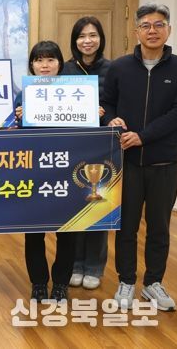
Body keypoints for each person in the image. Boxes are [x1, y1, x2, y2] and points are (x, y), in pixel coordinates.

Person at [103, 3, 177, 312]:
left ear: (168, 30)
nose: (152, 30)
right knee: (126, 227)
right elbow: (107, 103)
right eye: (146, 25)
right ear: (136, 31)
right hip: (128, 163)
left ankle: (153, 283)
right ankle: (126, 281)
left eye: (159, 25)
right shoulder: (120, 67)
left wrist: (143, 136)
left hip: (164, 163)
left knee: (159, 227)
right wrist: (110, 119)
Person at [15, 41, 76, 302]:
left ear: (60, 64)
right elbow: (12, 134)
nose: (45, 65)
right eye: (39, 60)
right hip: (35, 171)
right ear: (32, 65)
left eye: (51, 59)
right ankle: (38, 282)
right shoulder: (23, 95)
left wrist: (94, 115)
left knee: (69, 230)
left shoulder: (76, 93)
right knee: (34, 230)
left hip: (67, 170)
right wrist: (17, 119)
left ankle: (61, 283)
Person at [62, 16, 111, 291]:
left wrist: (106, 114)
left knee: (98, 205)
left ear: (100, 38)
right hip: (72, 147)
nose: (87, 41)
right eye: (81, 36)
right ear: (74, 40)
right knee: (74, 208)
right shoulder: (65, 69)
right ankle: (75, 264)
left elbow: (118, 106)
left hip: (102, 148)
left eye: (93, 35)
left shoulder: (113, 69)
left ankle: (94, 267)